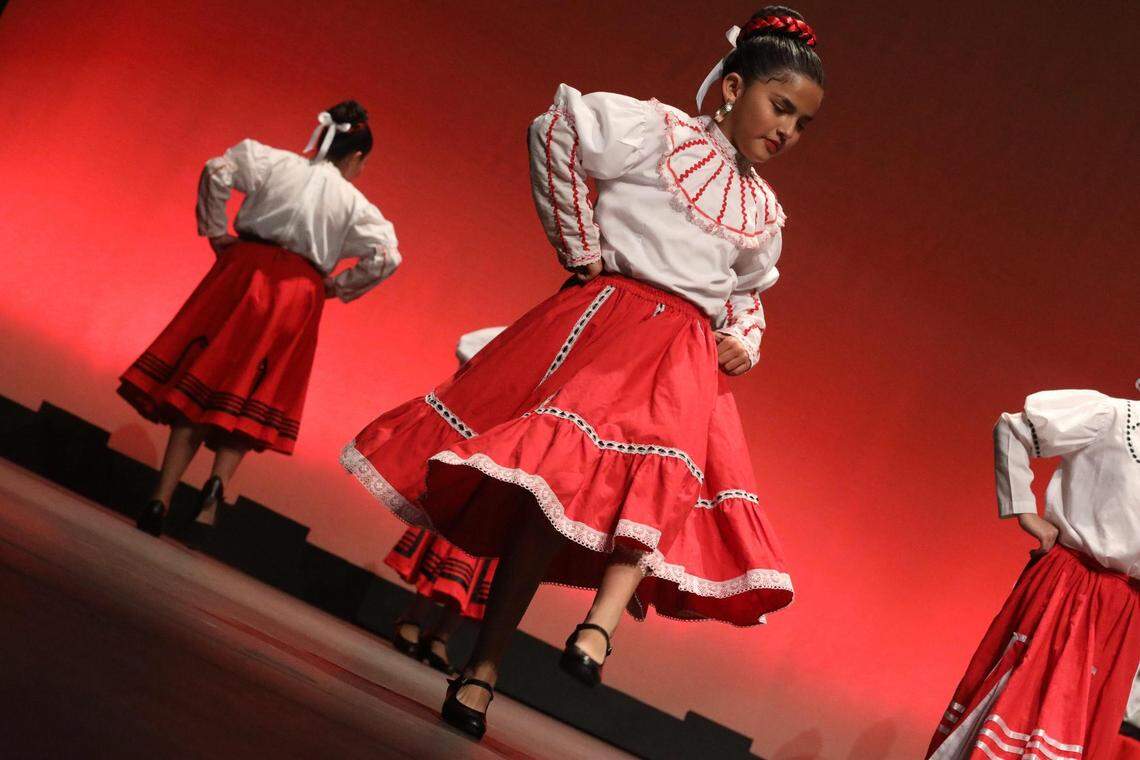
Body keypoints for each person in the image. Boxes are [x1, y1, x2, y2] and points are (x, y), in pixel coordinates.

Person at [342, 6, 823, 739]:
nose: (786, 130)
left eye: (802, 123)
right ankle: (484, 669)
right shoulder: (656, 132)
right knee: (546, 497)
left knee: (663, 482)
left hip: (686, 353)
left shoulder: (762, 209)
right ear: (732, 87)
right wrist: (581, 248)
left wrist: (743, 340)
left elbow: (748, 290)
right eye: (779, 105)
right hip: (613, 327)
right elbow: (556, 131)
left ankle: (597, 629)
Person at [120, 101, 401, 536]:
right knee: (255, 385)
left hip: (243, 273)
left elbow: (218, 170)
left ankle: (161, 496)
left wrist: (216, 231)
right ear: (357, 156)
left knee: (205, 376)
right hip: (297, 292)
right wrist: (335, 287)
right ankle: (218, 484)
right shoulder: (353, 202)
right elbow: (387, 256)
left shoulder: (272, 162)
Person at [928, 387, 1140, 759]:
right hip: (1071, 586)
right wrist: (1025, 512)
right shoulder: (1110, 417)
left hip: (1126, 611)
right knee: (1024, 704)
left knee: (1089, 731)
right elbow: (1015, 429)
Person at [386, 328, 505, 675]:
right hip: (483, 451)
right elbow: (469, 343)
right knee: (455, 539)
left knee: (489, 554)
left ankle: (442, 635)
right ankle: (413, 617)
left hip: (519, 468)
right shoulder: (527, 335)